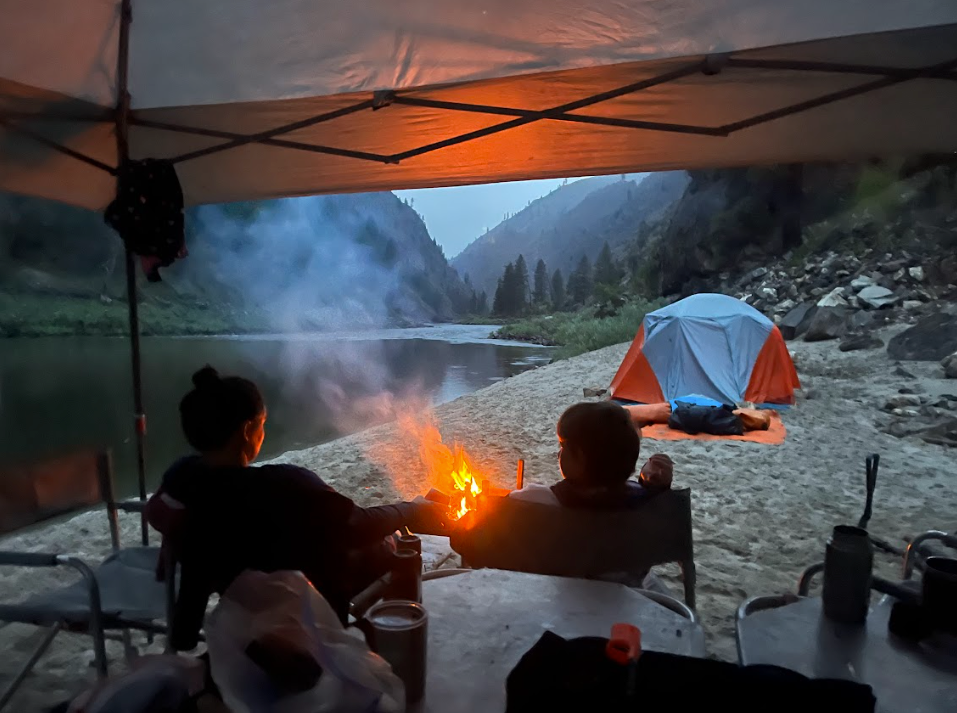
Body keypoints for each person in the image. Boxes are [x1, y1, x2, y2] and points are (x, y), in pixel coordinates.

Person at [147, 366, 448, 651]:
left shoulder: (186, 492)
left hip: (248, 608)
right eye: (262, 425)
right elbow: (355, 525)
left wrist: (184, 631)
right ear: (248, 429)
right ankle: (383, 646)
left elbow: (193, 580)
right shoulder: (284, 485)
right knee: (388, 548)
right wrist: (414, 509)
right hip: (312, 609)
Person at [508, 401, 673, 508]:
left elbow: (500, 508)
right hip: (618, 562)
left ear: (579, 456)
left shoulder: (537, 498)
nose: (559, 453)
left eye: (563, 445)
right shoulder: (641, 501)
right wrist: (655, 486)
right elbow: (656, 499)